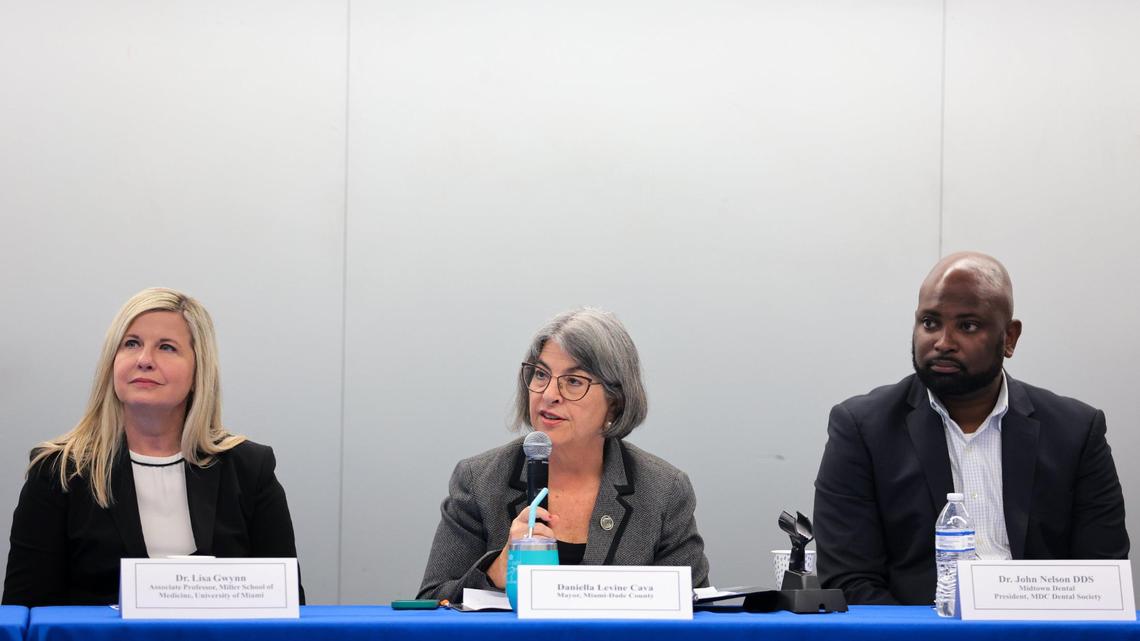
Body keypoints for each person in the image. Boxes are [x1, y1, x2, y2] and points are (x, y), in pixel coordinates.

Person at [813, 252, 1129, 605]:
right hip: (921, 628)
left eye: (967, 326)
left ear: (1009, 338)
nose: (943, 342)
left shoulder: (1076, 432)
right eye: (930, 322)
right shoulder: (862, 429)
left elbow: (1102, 575)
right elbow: (850, 580)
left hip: (1038, 626)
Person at [3, 288, 304, 606]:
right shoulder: (59, 471)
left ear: (198, 371)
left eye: (166, 347)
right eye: (131, 344)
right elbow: (24, 612)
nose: (144, 360)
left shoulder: (249, 469)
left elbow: (286, 605)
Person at [418, 308, 709, 603]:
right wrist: (499, 569)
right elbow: (430, 603)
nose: (548, 394)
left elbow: (695, 609)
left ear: (615, 401)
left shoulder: (663, 491)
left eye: (573, 381)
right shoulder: (479, 481)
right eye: (541, 374)